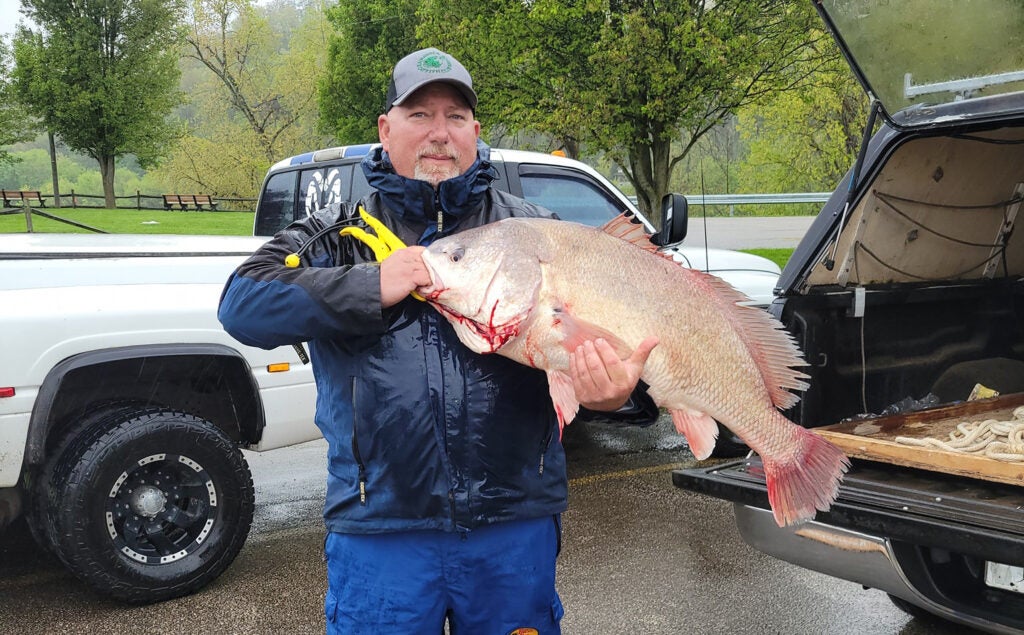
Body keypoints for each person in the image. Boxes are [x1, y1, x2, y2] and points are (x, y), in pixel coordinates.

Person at [218, 47, 656, 634]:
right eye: (419, 115)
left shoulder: (538, 232)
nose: (439, 134)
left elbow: (605, 348)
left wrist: (609, 393)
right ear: (386, 128)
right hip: (380, 528)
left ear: (476, 131)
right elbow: (242, 304)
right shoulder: (339, 234)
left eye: (455, 117)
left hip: (512, 525)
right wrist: (375, 283)